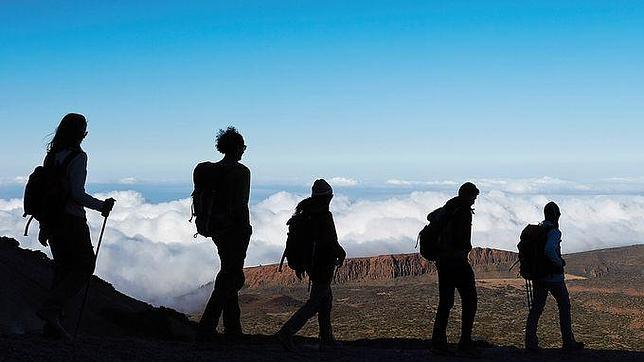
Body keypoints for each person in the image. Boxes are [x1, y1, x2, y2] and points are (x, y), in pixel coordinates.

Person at [36, 113, 116, 342]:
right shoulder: (78, 157)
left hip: (52, 221)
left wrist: (44, 225)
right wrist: (102, 206)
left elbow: (46, 194)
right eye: (84, 131)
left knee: (62, 270)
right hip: (71, 220)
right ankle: (52, 310)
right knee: (84, 266)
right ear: (81, 133)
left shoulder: (52, 157)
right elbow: (76, 194)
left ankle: (51, 327)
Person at [276, 179, 346, 352]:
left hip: (311, 264)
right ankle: (287, 332)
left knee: (325, 300)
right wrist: (341, 253)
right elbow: (331, 241)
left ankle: (326, 339)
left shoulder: (305, 213)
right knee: (315, 302)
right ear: (329, 197)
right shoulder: (323, 215)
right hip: (324, 264)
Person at [196, 127, 252, 342]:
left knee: (230, 273)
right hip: (235, 231)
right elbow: (241, 204)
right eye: (243, 146)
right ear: (236, 147)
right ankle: (206, 327)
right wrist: (246, 229)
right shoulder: (241, 172)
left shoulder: (208, 171)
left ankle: (233, 328)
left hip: (216, 229)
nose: (243, 150)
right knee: (232, 277)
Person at [525, 202, 584, 353]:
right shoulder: (554, 232)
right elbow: (549, 250)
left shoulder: (539, 229)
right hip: (554, 277)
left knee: (536, 309)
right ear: (556, 215)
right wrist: (559, 262)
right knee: (564, 307)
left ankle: (530, 343)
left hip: (539, 276)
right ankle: (568, 342)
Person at [430, 182, 480, 356]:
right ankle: (465, 342)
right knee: (470, 300)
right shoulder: (462, 211)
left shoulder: (448, 208)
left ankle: (438, 341)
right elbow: (460, 238)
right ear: (467, 195)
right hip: (456, 261)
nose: (475, 200)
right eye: (474, 196)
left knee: (445, 302)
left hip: (443, 262)